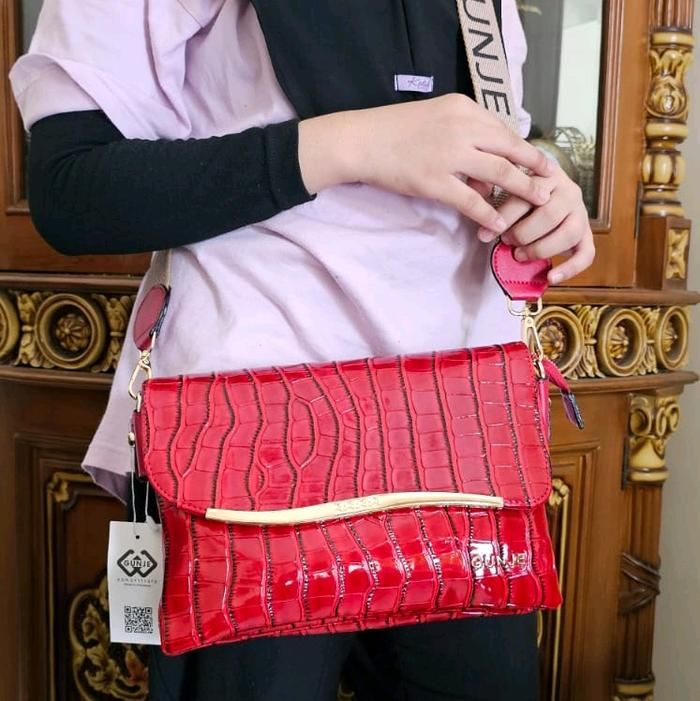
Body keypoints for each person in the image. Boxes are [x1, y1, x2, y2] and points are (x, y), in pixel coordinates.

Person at [11, 1, 594, 699]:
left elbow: (484, 158)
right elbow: (73, 187)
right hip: (251, 447)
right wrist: (356, 143)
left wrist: (543, 192)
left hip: (462, 445)